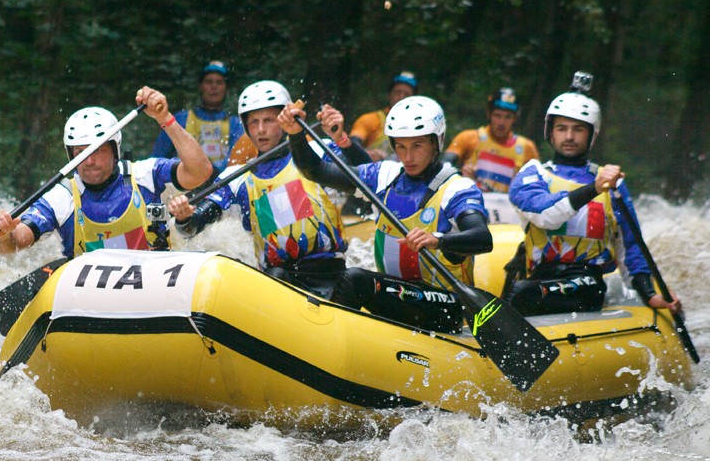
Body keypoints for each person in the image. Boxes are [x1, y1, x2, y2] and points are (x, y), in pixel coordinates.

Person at [282, 96, 493, 334]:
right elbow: (316, 170)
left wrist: (438, 240)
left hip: (445, 307)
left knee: (355, 280)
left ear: (437, 143)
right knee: (345, 277)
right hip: (400, 296)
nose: (408, 157)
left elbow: (483, 238)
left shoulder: (456, 188)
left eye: (417, 146)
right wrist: (295, 134)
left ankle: (329, 339)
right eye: (400, 146)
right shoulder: (385, 175)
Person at [167, 80, 359, 298]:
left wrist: (342, 139)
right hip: (279, 281)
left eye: (268, 121)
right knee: (276, 274)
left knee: (355, 277)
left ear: (286, 120)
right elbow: (192, 228)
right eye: (253, 122)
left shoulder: (317, 154)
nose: (260, 130)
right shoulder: (236, 179)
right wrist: (184, 218)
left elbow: (368, 181)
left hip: (332, 276)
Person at [506, 89, 683, 316]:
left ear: (592, 135)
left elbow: (631, 247)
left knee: (520, 294)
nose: (569, 137)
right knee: (516, 292)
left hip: (587, 284)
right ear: (550, 133)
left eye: (578, 129)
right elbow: (546, 214)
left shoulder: (612, 184)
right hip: (541, 279)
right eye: (562, 128)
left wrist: (649, 294)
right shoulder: (533, 174)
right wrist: (594, 188)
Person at [0, 87, 213, 258]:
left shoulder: (146, 175)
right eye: (79, 152)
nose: (89, 160)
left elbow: (200, 172)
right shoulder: (62, 197)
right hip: (92, 297)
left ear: (115, 149)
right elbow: (16, 243)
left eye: (97, 150)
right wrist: (5, 234)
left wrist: (166, 120)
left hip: (156, 280)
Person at [150, 60, 245, 174]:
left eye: (219, 82)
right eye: (209, 82)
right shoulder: (180, 119)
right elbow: (156, 159)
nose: (213, 87)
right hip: (185, 185)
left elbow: (238, 162)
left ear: (226, 89)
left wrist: (212, 172)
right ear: (201, 87)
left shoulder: (236, 124)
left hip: (222, 185)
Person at [443, 87, 540, 193]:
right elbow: (444, 165)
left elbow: (537, 186)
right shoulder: (468, 138)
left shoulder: (527, 147)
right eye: (497, 115)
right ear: (489, 114)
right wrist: (459, 173)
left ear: (515, 118)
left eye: (508, 117)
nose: (501, 123)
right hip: (470, 202)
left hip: (506, 207)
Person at [346, 71, 419, 161]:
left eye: (406, 94)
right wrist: (366, 153)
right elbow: (352, 144)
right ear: (389, 95)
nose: (401, 97)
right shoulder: (370, 119)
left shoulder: (419, 126)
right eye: (397, 92)